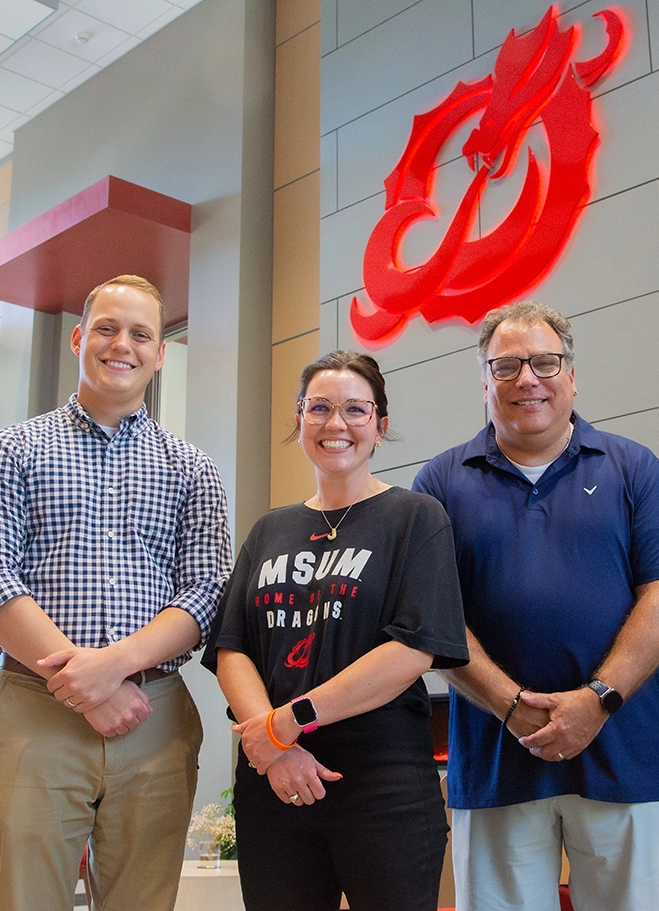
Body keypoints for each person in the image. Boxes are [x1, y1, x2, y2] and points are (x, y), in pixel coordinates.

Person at [413, 300, 659, 911]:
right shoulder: (439, 484)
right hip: (495, 759)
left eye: (545, 362)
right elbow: (432, 619)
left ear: (571, 375)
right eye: (507, 366)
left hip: (625, 754)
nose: (527, 379)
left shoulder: (633, 467)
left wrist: (597, 700)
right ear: (485, 382)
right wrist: (510, 705)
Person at [0, 274, 232, 911]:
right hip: (35, 711)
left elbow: (205, 591)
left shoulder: (192, 468)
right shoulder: (11, 450)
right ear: (79, 338)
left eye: (141, 334)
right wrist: (86, 687)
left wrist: (112, 668)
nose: (122, 345)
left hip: (154, 715)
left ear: (160, 354)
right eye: (107, 328)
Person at [204, 350, 468, 911]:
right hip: (272, 784)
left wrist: (287, 724)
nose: (336, 423)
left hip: (382, 786)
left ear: (380, 425)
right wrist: (275, 747)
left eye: (355, 409)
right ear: (299, 419)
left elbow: (412, 649)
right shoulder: (269, 530)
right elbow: (231, 647)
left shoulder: (416, 518)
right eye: (319, 407)